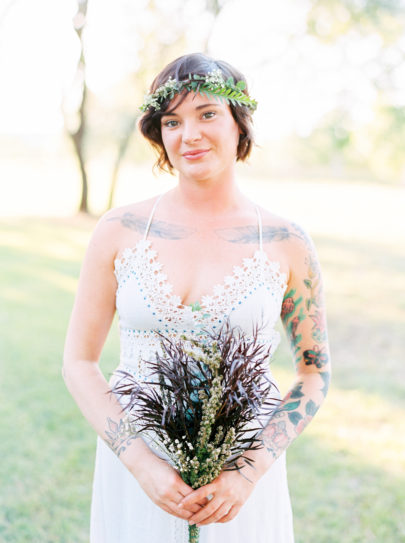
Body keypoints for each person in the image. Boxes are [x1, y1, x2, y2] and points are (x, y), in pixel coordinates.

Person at [63, 52, 331, 543]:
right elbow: (79, 363)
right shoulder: (118, 231)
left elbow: (314, 374)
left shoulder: (286, 241)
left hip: (239, 480)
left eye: (207, 114)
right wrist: (140, 463)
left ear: (239, 124)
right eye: (172, 121)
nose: (189, 135)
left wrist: (248, 472)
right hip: (136, 470)